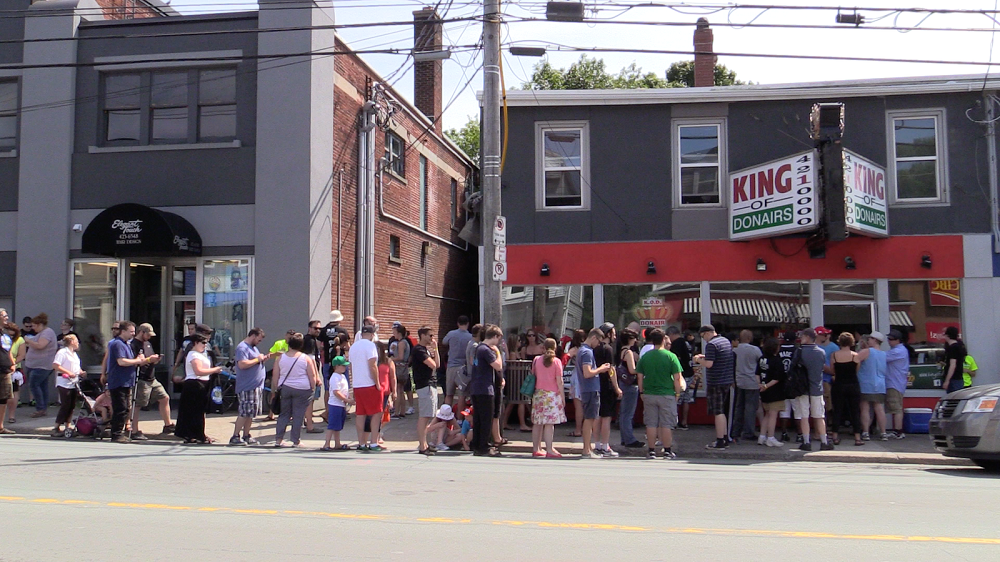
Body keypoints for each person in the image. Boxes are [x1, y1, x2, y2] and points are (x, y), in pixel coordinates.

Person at [636, 328, 684, 460]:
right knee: (667, 424)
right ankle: (667, 451)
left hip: (649, 393)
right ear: (664, 340)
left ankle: (651, 450)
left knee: (651, 423)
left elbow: (639, 376)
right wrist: (677, 393)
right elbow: (677, 377)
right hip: (667, 393)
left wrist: (641, 391)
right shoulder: (671, 356)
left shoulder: (646, 356)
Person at [271, 332, 319, 448]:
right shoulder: (305, 358)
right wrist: (313, 388)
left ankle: (279, 439)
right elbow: (312, 376)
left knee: (284, 415)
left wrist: (276, 388)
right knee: (298, 415)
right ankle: (295, 440)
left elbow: (275, 375)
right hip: (302, 388)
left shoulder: (281, 358)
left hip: (286, 388)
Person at [790, 329, 833, 451]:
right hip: (817, 387)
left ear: (807, 337)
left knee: (804, 416)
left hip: (802, 388)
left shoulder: (800, 351)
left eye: (802, 336)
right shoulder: (821, 352)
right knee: (819, 416)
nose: (801, 338)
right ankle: (824, 441)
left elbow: (792, 369)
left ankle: (806, 441)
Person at [105, 322, 148, 443]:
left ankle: (120, 431)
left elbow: (130, 361)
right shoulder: (117, 344)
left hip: (127, 381)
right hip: (118, 380)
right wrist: (136, 361)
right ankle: (116, 434)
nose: (133, 334)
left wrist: (141, 360)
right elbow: (121, 361)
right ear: (123, 331)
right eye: (131, 331)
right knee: (121, 408)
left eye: (134, 331)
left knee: (126, 408)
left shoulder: (127, 344)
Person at [175, 334, 222, 444]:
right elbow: (198, 371)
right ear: (195, 343)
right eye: (203, 343)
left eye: (206, 343)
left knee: (199, 411)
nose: (205, 345)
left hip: (202, 384)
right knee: (193, 411)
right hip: (194, 384)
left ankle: (197, 434)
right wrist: (214, 370)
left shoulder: (202, 354)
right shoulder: (193, 354)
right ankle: (192, 434)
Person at [694, 325, 735, 450]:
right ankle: (725, 437)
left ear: (707, 333)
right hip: (727, 380)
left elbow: (709, 364)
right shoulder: (725, 341)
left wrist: (697, 360)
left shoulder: (711, 345)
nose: (704, 339)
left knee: (718, 412)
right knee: (724, 410)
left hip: (716, 381)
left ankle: (720, 440)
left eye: (703, 336)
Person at [230, 328, 270, 446]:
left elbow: (254, 361)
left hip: (255, 385)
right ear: (253, 335)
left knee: (251, 413)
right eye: (258, 339)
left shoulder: (253, 348)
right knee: (244, 412)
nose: (259, 342)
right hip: (247, 385)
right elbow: (242, 364)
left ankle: (246, 435)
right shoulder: (242, 348)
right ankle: (235, 436)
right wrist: (258, 359)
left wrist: (262, 358)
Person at [469, 324, 503, 457]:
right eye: (498, 339)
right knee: (486, 419)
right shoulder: (486, 350)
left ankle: (477, 445)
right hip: (485, 388)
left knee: (478, 418)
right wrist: (498, 353)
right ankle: (485, 446)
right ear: (494, 336)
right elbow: (498, 366)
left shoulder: (478, 348)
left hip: (476, 388)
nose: (498, 342)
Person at [128, 323, 167, 440]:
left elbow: (149, 359)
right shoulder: (133, 345)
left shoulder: (148, 344)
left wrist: (155, 359)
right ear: (142, 332)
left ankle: (168, 424)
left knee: (164, 397)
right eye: (148, 335)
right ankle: (134, 429)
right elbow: (135, 362)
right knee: (138, 404)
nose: (149, 337)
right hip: (142, 378)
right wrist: (149, 359)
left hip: (151, 376)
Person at [577, 327, 611, 459]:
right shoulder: (587, 352)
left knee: (590, 419)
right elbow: (587, 373)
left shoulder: (583, 350)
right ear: (593, 338)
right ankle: (586, 450)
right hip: (590, 389)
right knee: (589, 420)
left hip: (588, 389)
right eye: (598, 342)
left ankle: (588, 448)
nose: (598, 345)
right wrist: (601, 369)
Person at [530, 338, 567, 457]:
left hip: (538, 394)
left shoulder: (536, 360)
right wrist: (563, 397)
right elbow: (559, 381)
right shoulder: (556, 361)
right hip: (551, 395)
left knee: (538, 422)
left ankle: (536, 448)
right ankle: (549, 449)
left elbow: (533, 375)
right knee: (549, 423)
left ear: (543, 348)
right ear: (555, 348)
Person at [350, 324, 383, 451]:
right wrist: (377, 383)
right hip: (369, 384)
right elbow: (373, 365)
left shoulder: (354, 347)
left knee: (360, 413)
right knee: (376, 413)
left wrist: (353, 385)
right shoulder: (371, 346)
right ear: (372, 334)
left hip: (358, 384)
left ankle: (361, 443)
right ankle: (374, 442)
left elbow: (351, 367)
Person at [829, 333, 864, 446]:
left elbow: (832, 371)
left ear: (840, 342)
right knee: (855, 411)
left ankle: (835, 436)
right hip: (853, 384)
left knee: (837, 411)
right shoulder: (855, 356)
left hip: (839, 384)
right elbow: (856, 371)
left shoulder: (834, 355)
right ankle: (857, 438)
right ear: (851, 342)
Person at [411, 326, 439, 456]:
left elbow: (437, 365)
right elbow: (432, 365)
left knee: (428, 416)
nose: (431, 338)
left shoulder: (426, 350)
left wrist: (435, 349)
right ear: (422, 336)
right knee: (424, 416)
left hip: (431, 384)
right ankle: (422, 446)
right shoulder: (419, 350)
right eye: (430, 335)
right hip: (424, 385)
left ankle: (425, 443)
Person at [594, 324, 621, 457]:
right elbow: (611, 370)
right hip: (606, 385)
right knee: (606, 417)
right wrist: (617, 388)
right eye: (613, 333)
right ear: (608, 334)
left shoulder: (593, 348)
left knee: (597, 416)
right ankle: (605, 445)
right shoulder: (608, 349)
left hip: (595, 384)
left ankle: (597, 444)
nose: (615, 336)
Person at [24, 313, 58, 418]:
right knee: (42, 386)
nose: (33, 328)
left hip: (42, 365)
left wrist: (28, 340)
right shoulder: (42, 333)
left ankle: (40, 408)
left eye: (34, 326)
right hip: (36, 365)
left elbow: (40, 345)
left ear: (39, 324)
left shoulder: (47, 333)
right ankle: (43, 408)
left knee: (34, 385)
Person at [731, 330, 763, 442]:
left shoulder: (735, 350)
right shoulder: (755, 350)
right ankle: (748, 432)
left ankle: (736, 431)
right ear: (750, 338)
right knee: (750, 409)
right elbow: (761, 364)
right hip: (752, 382)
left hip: (739, 382)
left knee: (739, 407)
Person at [51, 334, 85, 437]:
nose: (78, 343)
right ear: (72, 342)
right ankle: (56, 426)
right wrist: (68, 372)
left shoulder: (74, 354)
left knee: (72, 405)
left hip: (73, 382)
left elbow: (76, 367)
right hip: (64, 381)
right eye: (77, 341)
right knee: (65, 405)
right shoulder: (62, 352)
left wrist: (81, 372)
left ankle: (67, 426)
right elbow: (56, 365)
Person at [856, 332, 888, 441]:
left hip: (866, 383)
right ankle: (883, 432)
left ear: (875, 340)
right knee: (879, 408)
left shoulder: (867, 351)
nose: (868, 340)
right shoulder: (884, 354)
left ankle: (865, 432)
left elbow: (854, 361)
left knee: (865, 408)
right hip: (880, 384)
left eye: (870, 338)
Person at [757, 337, 786, 447]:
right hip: (775, 391)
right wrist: (766, 386)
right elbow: (778, 377)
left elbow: (757, 373)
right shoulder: (777, 360)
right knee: (773, 415)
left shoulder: (761, 359)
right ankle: (771, 437)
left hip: (763, 391)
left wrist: (760, 384)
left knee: (767, 414)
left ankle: (762, 436)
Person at [616, 329, 643, 448]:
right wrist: (641, 368)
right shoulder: (629, 352)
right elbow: (632, 370)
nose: (636, 340)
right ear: (630, 339)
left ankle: (625, 438)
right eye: (634, 338)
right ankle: (629, 439)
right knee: (628, 414)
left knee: (624, 413)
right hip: (630, 385)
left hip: (623, 383)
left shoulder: (621, 350)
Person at [441, 316, 473, 410]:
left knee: (449, 394)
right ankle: (459, 419)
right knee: (461, 395)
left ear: (458, 323)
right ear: (468, 324)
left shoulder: (451, 334)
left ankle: (446, 417)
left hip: (451, 366)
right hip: (463, 367)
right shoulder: (470, 337)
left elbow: (444, 342)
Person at [321, 356, 353, 451]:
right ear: (336, 366)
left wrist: (348, 397)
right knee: (332, 425)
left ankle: (337, 443)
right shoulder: (334, 377)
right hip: (335, 404)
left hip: (341, 404)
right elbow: (336, 392)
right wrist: (346, 400)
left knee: (337, 426)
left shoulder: (342, 376)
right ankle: (326, 444)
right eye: (342, 366)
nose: (344, 367)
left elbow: (344, 390)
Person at [667, 326, 696, 430]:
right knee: (686, 400)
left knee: (677, 399)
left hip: (681, 375)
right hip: (690, 373)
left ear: (671, 334)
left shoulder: (677, 344)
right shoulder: (687, 343)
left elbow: (675, 360)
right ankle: (684, 422)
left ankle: (674, 422)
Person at [884, 330, 909, 439]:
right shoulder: (899, 350)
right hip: (896, 382)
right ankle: (897, 430)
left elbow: (882, 357)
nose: (888, 341)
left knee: (896, 408)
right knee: (895, 407)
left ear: (897, 340)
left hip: (894, 383)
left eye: (891, 339)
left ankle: (898, 431)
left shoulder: (898, 351)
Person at [814, 326, 839, 439]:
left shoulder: (834, 347)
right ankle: (819, 432)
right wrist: (831, 371)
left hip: (828, 380)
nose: (826, 336)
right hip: (820, 380)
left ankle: (824, 430)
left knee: (827, 407)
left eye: (827, 334)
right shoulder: (814, 348)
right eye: (824, 334)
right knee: (819, 407)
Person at [776, 331, 800, 442]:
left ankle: (784, 433)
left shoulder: (778, 349)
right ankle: (800, 434)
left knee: (784, 410)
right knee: (797, 410)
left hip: (780, 383)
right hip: (794, 383)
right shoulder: (797, 350)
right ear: (794, 339)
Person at [565, 329, 586, 438]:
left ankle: (578, 429)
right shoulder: (587, 349)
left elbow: (565, 359)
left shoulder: (574, 349)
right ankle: (586, 429)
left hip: (576, 375)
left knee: (578, 406)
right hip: (586, 375)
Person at [391, 323, 413, 417]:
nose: (393, 333)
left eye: (394, 332)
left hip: (400, 368)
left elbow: (400, 357)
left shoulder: (401, 343)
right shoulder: (405, 342)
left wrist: (390, 359)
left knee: (398, 389)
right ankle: (402, 411)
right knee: (401, 390)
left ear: (399, 332)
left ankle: (397, 412)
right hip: (404, 369)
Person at [4, 322, 23, 425]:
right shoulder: (3, 339)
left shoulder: (20, 340)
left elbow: (21, 355)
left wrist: (12, 363)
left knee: (13, 392)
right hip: (2, 367)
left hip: (14, 368)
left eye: (12, 334)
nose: (10, 335)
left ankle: (11, 416)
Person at [940, 326, 967, 394]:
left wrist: (947, 380)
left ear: (947, 335)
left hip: (954, 379)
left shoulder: (953, 348)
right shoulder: (959, 346)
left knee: (953, 400)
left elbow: (953, 365)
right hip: (958, 378)